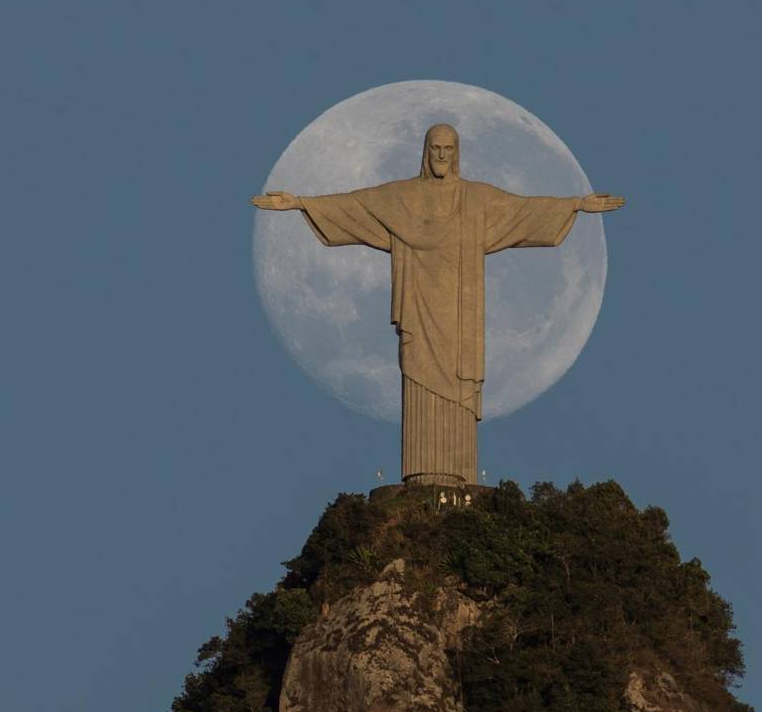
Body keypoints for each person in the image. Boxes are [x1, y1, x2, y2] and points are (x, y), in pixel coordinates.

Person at [252, 124, 623, 485]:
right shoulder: (401, 198)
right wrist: (300, 203)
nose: (442, 156)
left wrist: (576, 205)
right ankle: (422, 474)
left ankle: (459, 477)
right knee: (418, 376)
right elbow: (356, 205)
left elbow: (522, 210)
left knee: (458, 386)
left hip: (461, 320)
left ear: (457, 153)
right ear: (425, 153)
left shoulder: (476, 199)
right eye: (435, 149)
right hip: (418, 308)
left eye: (448, 149)